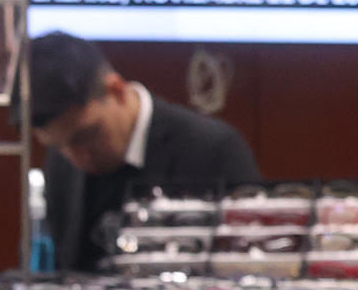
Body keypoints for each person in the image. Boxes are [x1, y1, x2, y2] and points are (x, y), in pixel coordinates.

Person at [30, 31, 260, 272]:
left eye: (87, 136)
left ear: (117, 90)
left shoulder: (213, 150)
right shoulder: (62, 158)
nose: (79, 158)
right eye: (59, 145)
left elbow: (249, 263)